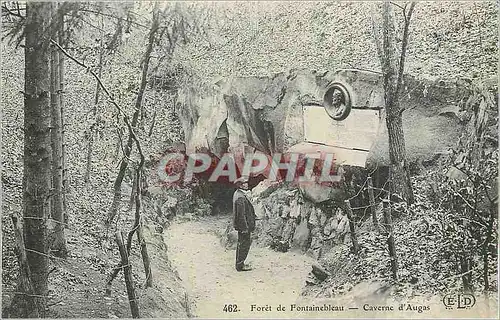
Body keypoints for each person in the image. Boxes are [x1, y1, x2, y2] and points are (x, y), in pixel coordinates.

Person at [233, 177, 257, 272]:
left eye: (246, 183)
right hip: (244, 226)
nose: (247, 184)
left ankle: (239, 263)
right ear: (240, 185)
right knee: (244, 245)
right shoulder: (241, 197)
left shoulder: (238, 194)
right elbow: (241, 215)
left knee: (241, 244)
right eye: (244, 183)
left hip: (242, 225)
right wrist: (244, 228)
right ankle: (240, 265)